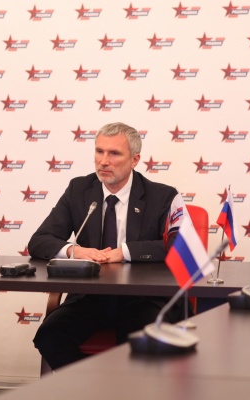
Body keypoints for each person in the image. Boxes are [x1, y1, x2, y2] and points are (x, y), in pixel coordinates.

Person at [28, 122, 186, 370]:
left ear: (135, 159)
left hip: (143, 299)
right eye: (99, 151)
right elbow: (39, 240)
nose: (103, 161)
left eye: (114, 153)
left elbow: (180, 247)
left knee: (138, 341)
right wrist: (75, 251)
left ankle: (121, 388)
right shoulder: (79, 190)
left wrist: (123, 252)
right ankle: (93, 387)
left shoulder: (163, 196)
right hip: (90, 298)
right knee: (50, 335)